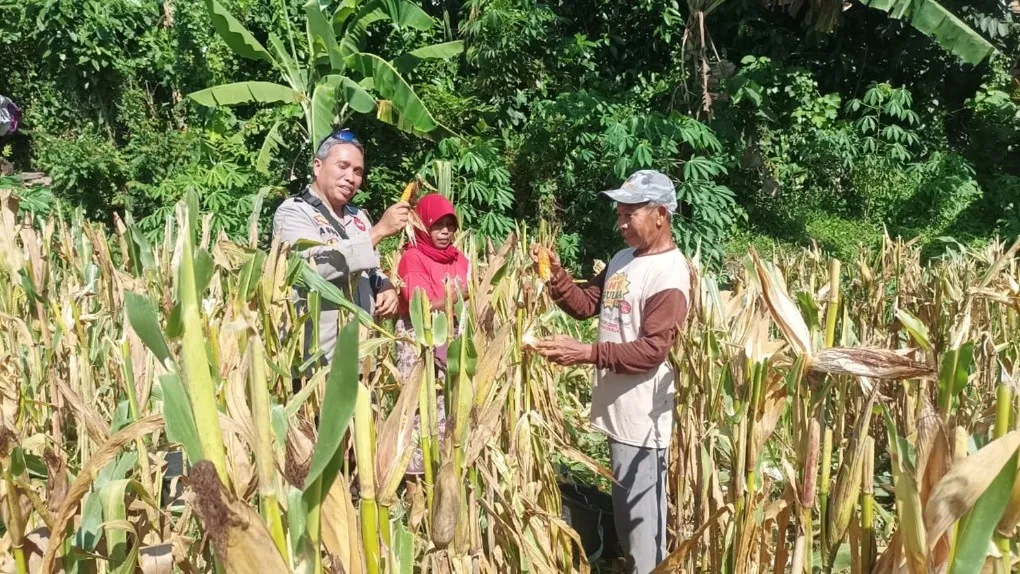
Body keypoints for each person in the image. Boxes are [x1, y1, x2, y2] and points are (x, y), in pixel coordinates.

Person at [531, 170, 690, 574]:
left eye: (629, 215)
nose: (620, 224)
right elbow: (587, 305)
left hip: (644, 419)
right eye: (618, 214)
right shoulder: (623, 260)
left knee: (642, 532)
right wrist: (557, 276)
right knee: (625, 516)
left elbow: (653, 351)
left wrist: (586, 353)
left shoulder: (669, 273)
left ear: (660, 214)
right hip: (618, 413)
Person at [272, 128, 410, 367]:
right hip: (317, 356)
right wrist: (378, 232)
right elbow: (311, 270)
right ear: (317, 166)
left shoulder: (358, 217)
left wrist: (384, 284)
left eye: (357, 171)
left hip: (361, 355)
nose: (351, 177)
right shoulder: (293, 212)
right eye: (342, 166)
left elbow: (370, 268)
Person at [394, 193, 470, 474]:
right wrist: (454, 296)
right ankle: (415, 479)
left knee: (451, 407)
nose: (445, 232)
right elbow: (418, 305)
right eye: (438, 226)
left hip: (453, 336)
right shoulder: (412, 258)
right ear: (424, 226)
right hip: (420, 339)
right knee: (420, 410)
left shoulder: (459, 259)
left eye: (450, 226)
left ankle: (446, 470)